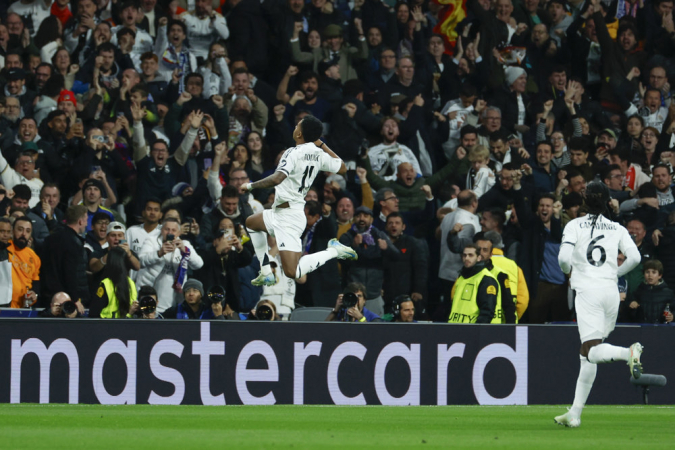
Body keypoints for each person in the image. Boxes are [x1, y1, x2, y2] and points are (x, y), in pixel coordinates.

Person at [555, 181, 644, 428]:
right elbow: (635, 257)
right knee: (587, 354)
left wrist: (569, 272)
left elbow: (563, 258)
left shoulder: (574, 225)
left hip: (588, 292)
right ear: (607, 201)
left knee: (593, 350)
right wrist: (615, 273)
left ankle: (627, 353)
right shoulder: (616, 227)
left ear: (585, 200)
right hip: (610, 293)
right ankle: (575, 413)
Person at [241, 115, 357, 287]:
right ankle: (266, 272)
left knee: (292, 272)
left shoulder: (292, 152)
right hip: (281, 212)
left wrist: (251, 186)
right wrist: (322, 145)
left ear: (300, 134)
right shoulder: (318, 154)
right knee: (251, 222)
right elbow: (342, 167)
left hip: (289, 217)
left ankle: (333, 251)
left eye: (297, 126)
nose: (295, 128)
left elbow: (277, 179)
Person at [137, 217, 204, 313]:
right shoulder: (151, 241)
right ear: (161, 230)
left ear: (179, 233)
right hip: (151, 297)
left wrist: (184, 250)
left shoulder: (185, 244)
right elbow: (140, 261)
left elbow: (199, 264)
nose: (170, 233)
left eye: (173, 230)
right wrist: (159, 253)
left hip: (175, 301)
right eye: (167, 229)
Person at [40, 205, 89, 309]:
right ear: (80, 221)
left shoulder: (50, 238)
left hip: (47, 296)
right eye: (86, 220)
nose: (86, 224)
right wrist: (75, 300)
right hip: (66, 301)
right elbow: (70, 273)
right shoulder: (73, 243)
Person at [447, 243, 499, 324]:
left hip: (472, 330)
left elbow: (487, 311)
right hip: (454, 327)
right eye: (464, 255)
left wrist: (477, 330)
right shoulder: (461, 277)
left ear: (479, 258)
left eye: (470, 255)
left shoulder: (486, 279)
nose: (466, 258)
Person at [89, 247, 137, 319]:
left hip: (107, 326)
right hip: (128, 325)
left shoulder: (106, 284)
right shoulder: (131, 283)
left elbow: (93, 312)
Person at [7, 217, 41, 309]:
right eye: (20, 229)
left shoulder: (34, 257)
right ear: (12, 231)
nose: (23, 234)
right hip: (5, 305)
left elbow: (35, 282)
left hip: (24, 307)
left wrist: (34, 293)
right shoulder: (5, 249)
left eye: (28, 231)